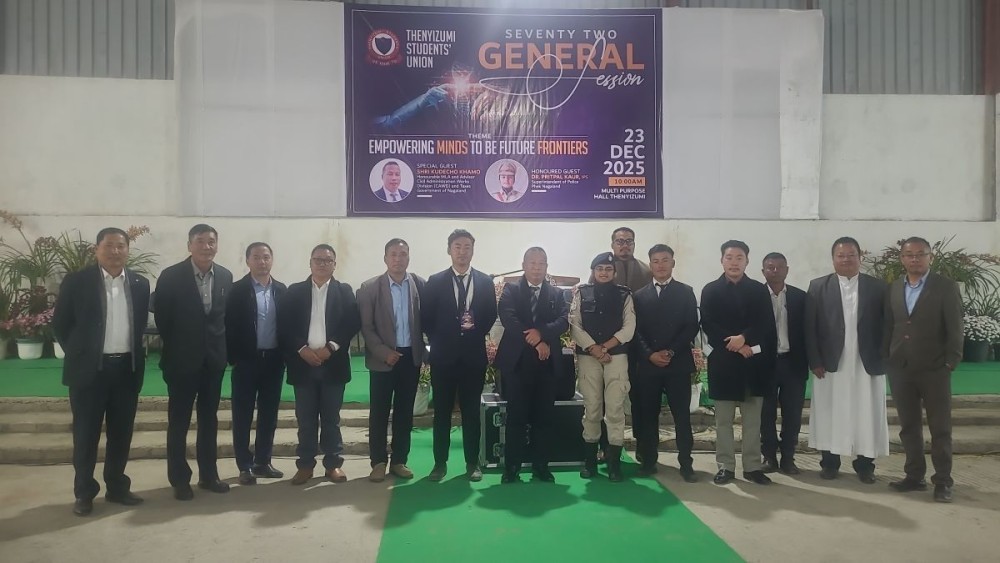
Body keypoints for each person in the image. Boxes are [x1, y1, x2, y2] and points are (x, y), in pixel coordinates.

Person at [52, 227, 150, 516]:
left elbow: (140, 325)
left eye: (121, 246)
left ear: (127, 250)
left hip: (126, 370)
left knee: (121, 434)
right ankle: (84, 492)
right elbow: (60, 324)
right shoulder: (77, 281)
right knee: (86, 435)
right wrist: (80, 354)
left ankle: (117, 487)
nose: (115, 251)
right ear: (97, 249)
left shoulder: (139, 283)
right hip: (90, 373)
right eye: (109, 246)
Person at [155, 224, 233, 500]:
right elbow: (163, 320)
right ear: (189, 245)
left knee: (209, 420)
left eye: (211, 241)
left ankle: (208, 475)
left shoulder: (225, 276)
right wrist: (182, 348)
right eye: (200, 241)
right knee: (179, 421)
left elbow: (223, 318)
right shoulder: (171, 276)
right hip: (181, 362)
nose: (206, 246)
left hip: (213, 362)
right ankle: (179, 479)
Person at [884, 237, 963, 503]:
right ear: (902, 259)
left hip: (934, 369)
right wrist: (889, 357)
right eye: (909, 255)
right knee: (908, 426)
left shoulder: (945, 287)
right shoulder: (894, 288)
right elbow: (891, 326)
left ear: (931, 257)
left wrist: (951, 361)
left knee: (940, 428)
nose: (915, 259)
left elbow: (955, 327)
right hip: (901, 368)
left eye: (921, 254)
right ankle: (914, 475)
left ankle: (942, 481)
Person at [805, 237, 889, 484]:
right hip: (831, 363)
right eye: (841, 255)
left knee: (867, 412)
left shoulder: (878, 287)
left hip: (867, 363)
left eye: (851, 254)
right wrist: (815, 360)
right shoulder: (818, 286)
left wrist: (884, 357)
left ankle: (865, 465)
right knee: (830, 412)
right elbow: (810, 328)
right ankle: (830, 463)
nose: (846, 259)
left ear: (859, 257)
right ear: (833, 259)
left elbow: (887, 326)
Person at [279, 244, 361, 486]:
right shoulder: (294, 292)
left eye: (328, 260)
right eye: (318, 259)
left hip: (332, 365)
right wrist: (302, 349)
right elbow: (284, 325)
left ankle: (333, 464)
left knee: (331, 419)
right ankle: (305, 466)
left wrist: (331, 347)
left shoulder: (345, 291)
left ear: (335, 265)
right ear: (310, 262)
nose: (322, 263)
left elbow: (351, 323)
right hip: (302, 365)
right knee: (305, 419)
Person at [421, 229, 498, 482]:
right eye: (457, 246)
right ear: (449, 250)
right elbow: (426, 318)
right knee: (441, 412)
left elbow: (489, 315)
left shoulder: (486, 281)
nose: (462, 252)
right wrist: (443, 339)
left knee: (471, 412)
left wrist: (473, 333)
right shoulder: (435, 281)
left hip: (473, 357)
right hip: (444, 357)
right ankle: (439, 464)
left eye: (467, 247)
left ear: (473, 250)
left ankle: (471, 462)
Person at [700, 240, 776, 486]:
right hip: (723, 363)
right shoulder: (710, 290)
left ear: (747, 261)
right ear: (722, 260)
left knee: (752, 421)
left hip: (753, 363)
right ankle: (726, 466)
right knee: (723, 421)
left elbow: (765, 323)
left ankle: (753, 467)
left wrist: (744, 339)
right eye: (729, 257)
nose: (734, 262)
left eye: (739, 257)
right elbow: (708, 324)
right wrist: (733, 343)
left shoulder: (757, 290)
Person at [495, 247, 569, 484]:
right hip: (518, 364)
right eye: (532, 263)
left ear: (547, 267)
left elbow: (563, 321)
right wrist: (536, 342)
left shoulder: (557, 294)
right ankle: (512, 467)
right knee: (516, 417)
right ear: (524, 265)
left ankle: (541, 466)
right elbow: (509, 319)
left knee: (543, 418)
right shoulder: (511, 290)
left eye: (542, 264)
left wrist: (542, 334)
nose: (537, 268)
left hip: (547, 365)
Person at [357, 238, 426, 482]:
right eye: (393, 254)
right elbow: (366, 327)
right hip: (383, 358)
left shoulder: (419, 284)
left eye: (403, 254)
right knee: (379, 411)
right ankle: (377, 462)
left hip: (410, 358)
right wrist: (384, 352)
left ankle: (399, 461)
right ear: (385, 258)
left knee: (405, 412)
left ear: (409, 257)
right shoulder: (369, 288)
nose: (398, 259)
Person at [631, 244, 699, 482]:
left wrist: (670, 351)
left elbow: (692, 325)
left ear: (673, 263)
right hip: (648, 366)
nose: (660, 265)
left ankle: (686, 464)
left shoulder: (686, 291)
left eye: (665, 260)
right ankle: (649, 461)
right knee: (647, 416)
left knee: (682, 416)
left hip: (677, 364)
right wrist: (650, 354)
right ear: (650, 265)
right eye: (656, 261)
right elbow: (635, 330)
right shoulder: (638, 296)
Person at [224, 242, 287, 485]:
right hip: (246, 361)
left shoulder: (281, 290)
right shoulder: (236, 290)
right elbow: (227, 326)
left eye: (266, 257)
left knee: (269, 414)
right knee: (242, 415)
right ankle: (244, 466)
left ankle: (263, 461)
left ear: (272, 260)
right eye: (256, 257)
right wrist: (234, 357)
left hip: (273, 361)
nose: (262, 262)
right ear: (247, 261)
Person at [570, 252, 635, 482]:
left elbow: (629, 327)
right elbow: (574, 325)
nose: (604, 273)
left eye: (608, 269)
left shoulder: (624, 294)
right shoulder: (581, 292)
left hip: (616, 357)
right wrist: (593, 349)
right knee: (592, 409)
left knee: (615, 410)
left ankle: (614, 464)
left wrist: (605, 347)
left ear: (614, 272)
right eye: (600, 269)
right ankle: (590, 463)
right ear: (593, 271)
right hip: (589, 357)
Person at [759, 252, 809, 475]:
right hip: (764, 365)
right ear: (763, 272)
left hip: (793, 363)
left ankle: (788, 457)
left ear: (787, 270)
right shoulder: (754, 296)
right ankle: (769, 456)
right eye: (770, 267)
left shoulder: (801, 297)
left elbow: (809, 331)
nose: (775, 271)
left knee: (792, 413)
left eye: (779, 267)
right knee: (765, 413)